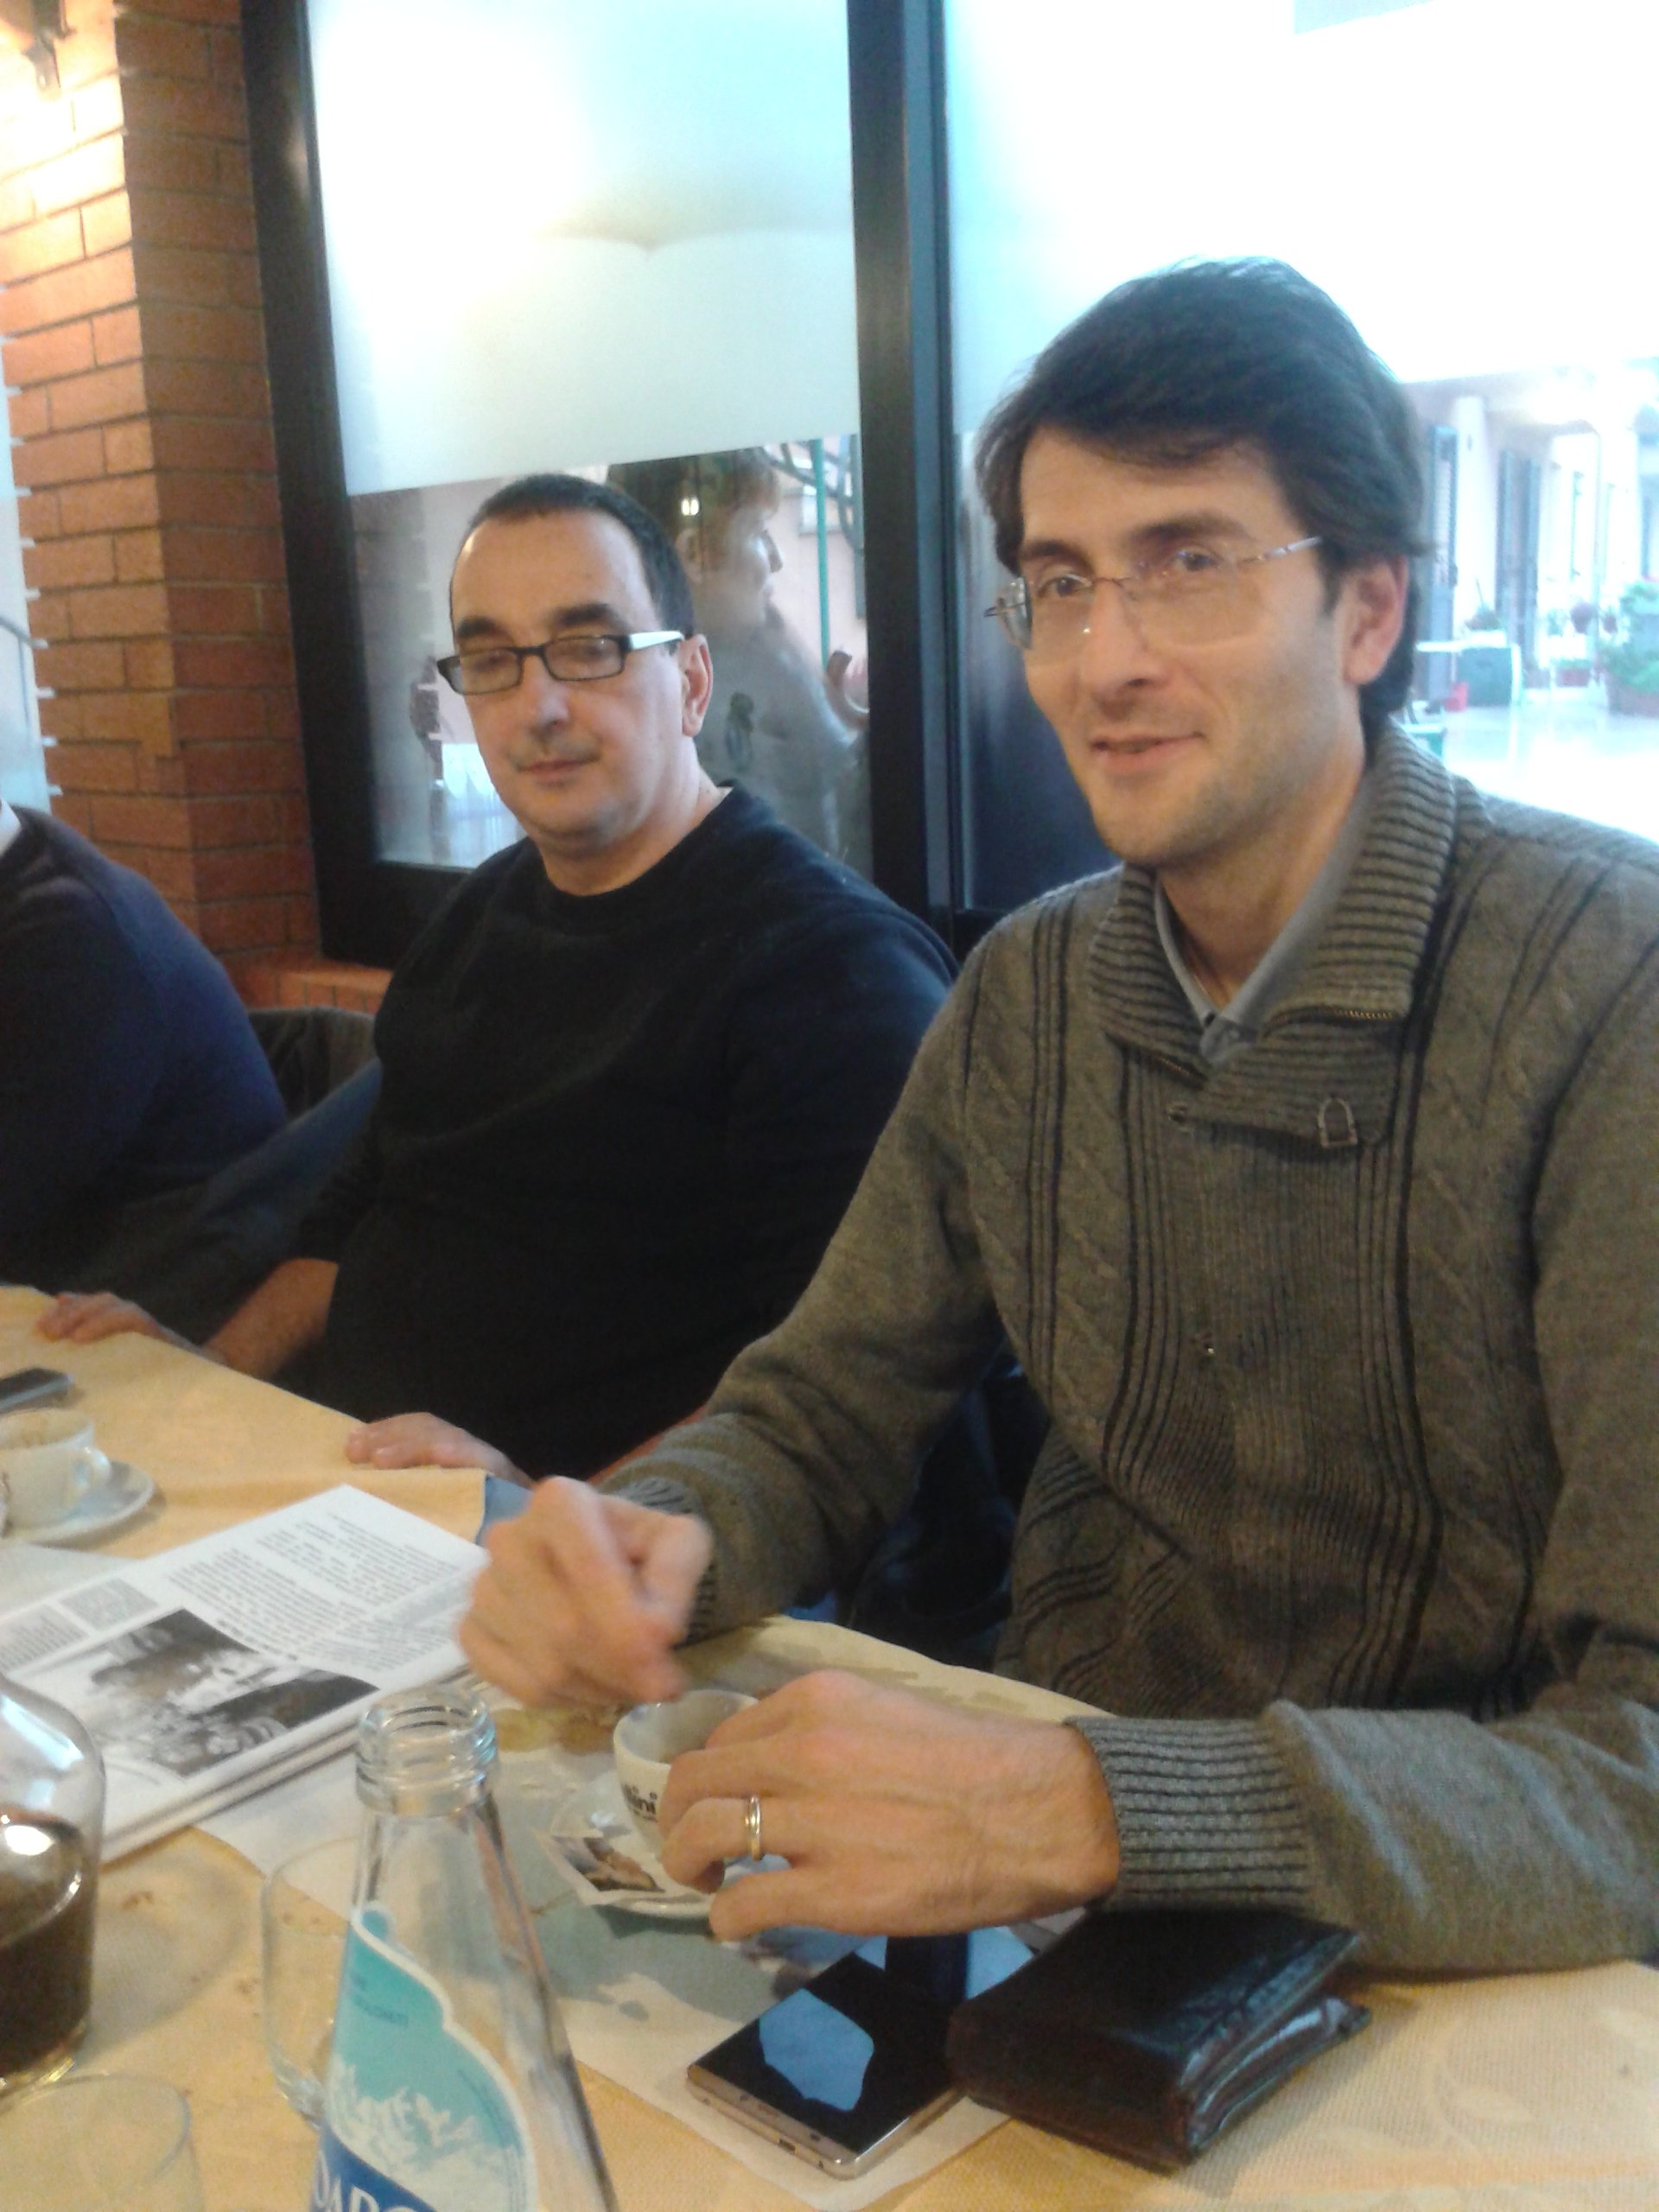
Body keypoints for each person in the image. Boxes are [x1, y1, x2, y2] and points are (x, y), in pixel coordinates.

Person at [459, 262, 1659, 1975]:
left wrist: (1093, 1802)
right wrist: (657, 1537)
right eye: (1061, 583)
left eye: (1191, 563)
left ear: (1371, 609)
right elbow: (822, 1408)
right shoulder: (1030, 991)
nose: (1106, 661)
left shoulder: (1608, 993)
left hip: (1455, 1968)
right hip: (1043, 1905)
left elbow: (1636, 1774)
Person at [43, 476, 952, 1482]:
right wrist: (208, 1372)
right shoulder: (477, 917)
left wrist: (555, 1508)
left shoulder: (830, 972)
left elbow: (844, 1390)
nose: (538, 706)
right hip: (349, 1497)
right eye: (491, 661)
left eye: (590, 647)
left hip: (594, 1547)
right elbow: (358, 1211)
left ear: (693, 682)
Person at [0, 798, 289, 1330]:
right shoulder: (24, 862)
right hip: (69, 1264)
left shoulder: (67, 936)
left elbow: (15, 1192)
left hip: (165, 1287)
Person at [607, 450, 870, 874]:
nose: (777, 559)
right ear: (697, 554)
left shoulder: (766, 652)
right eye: (758, 532)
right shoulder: (699, 691)